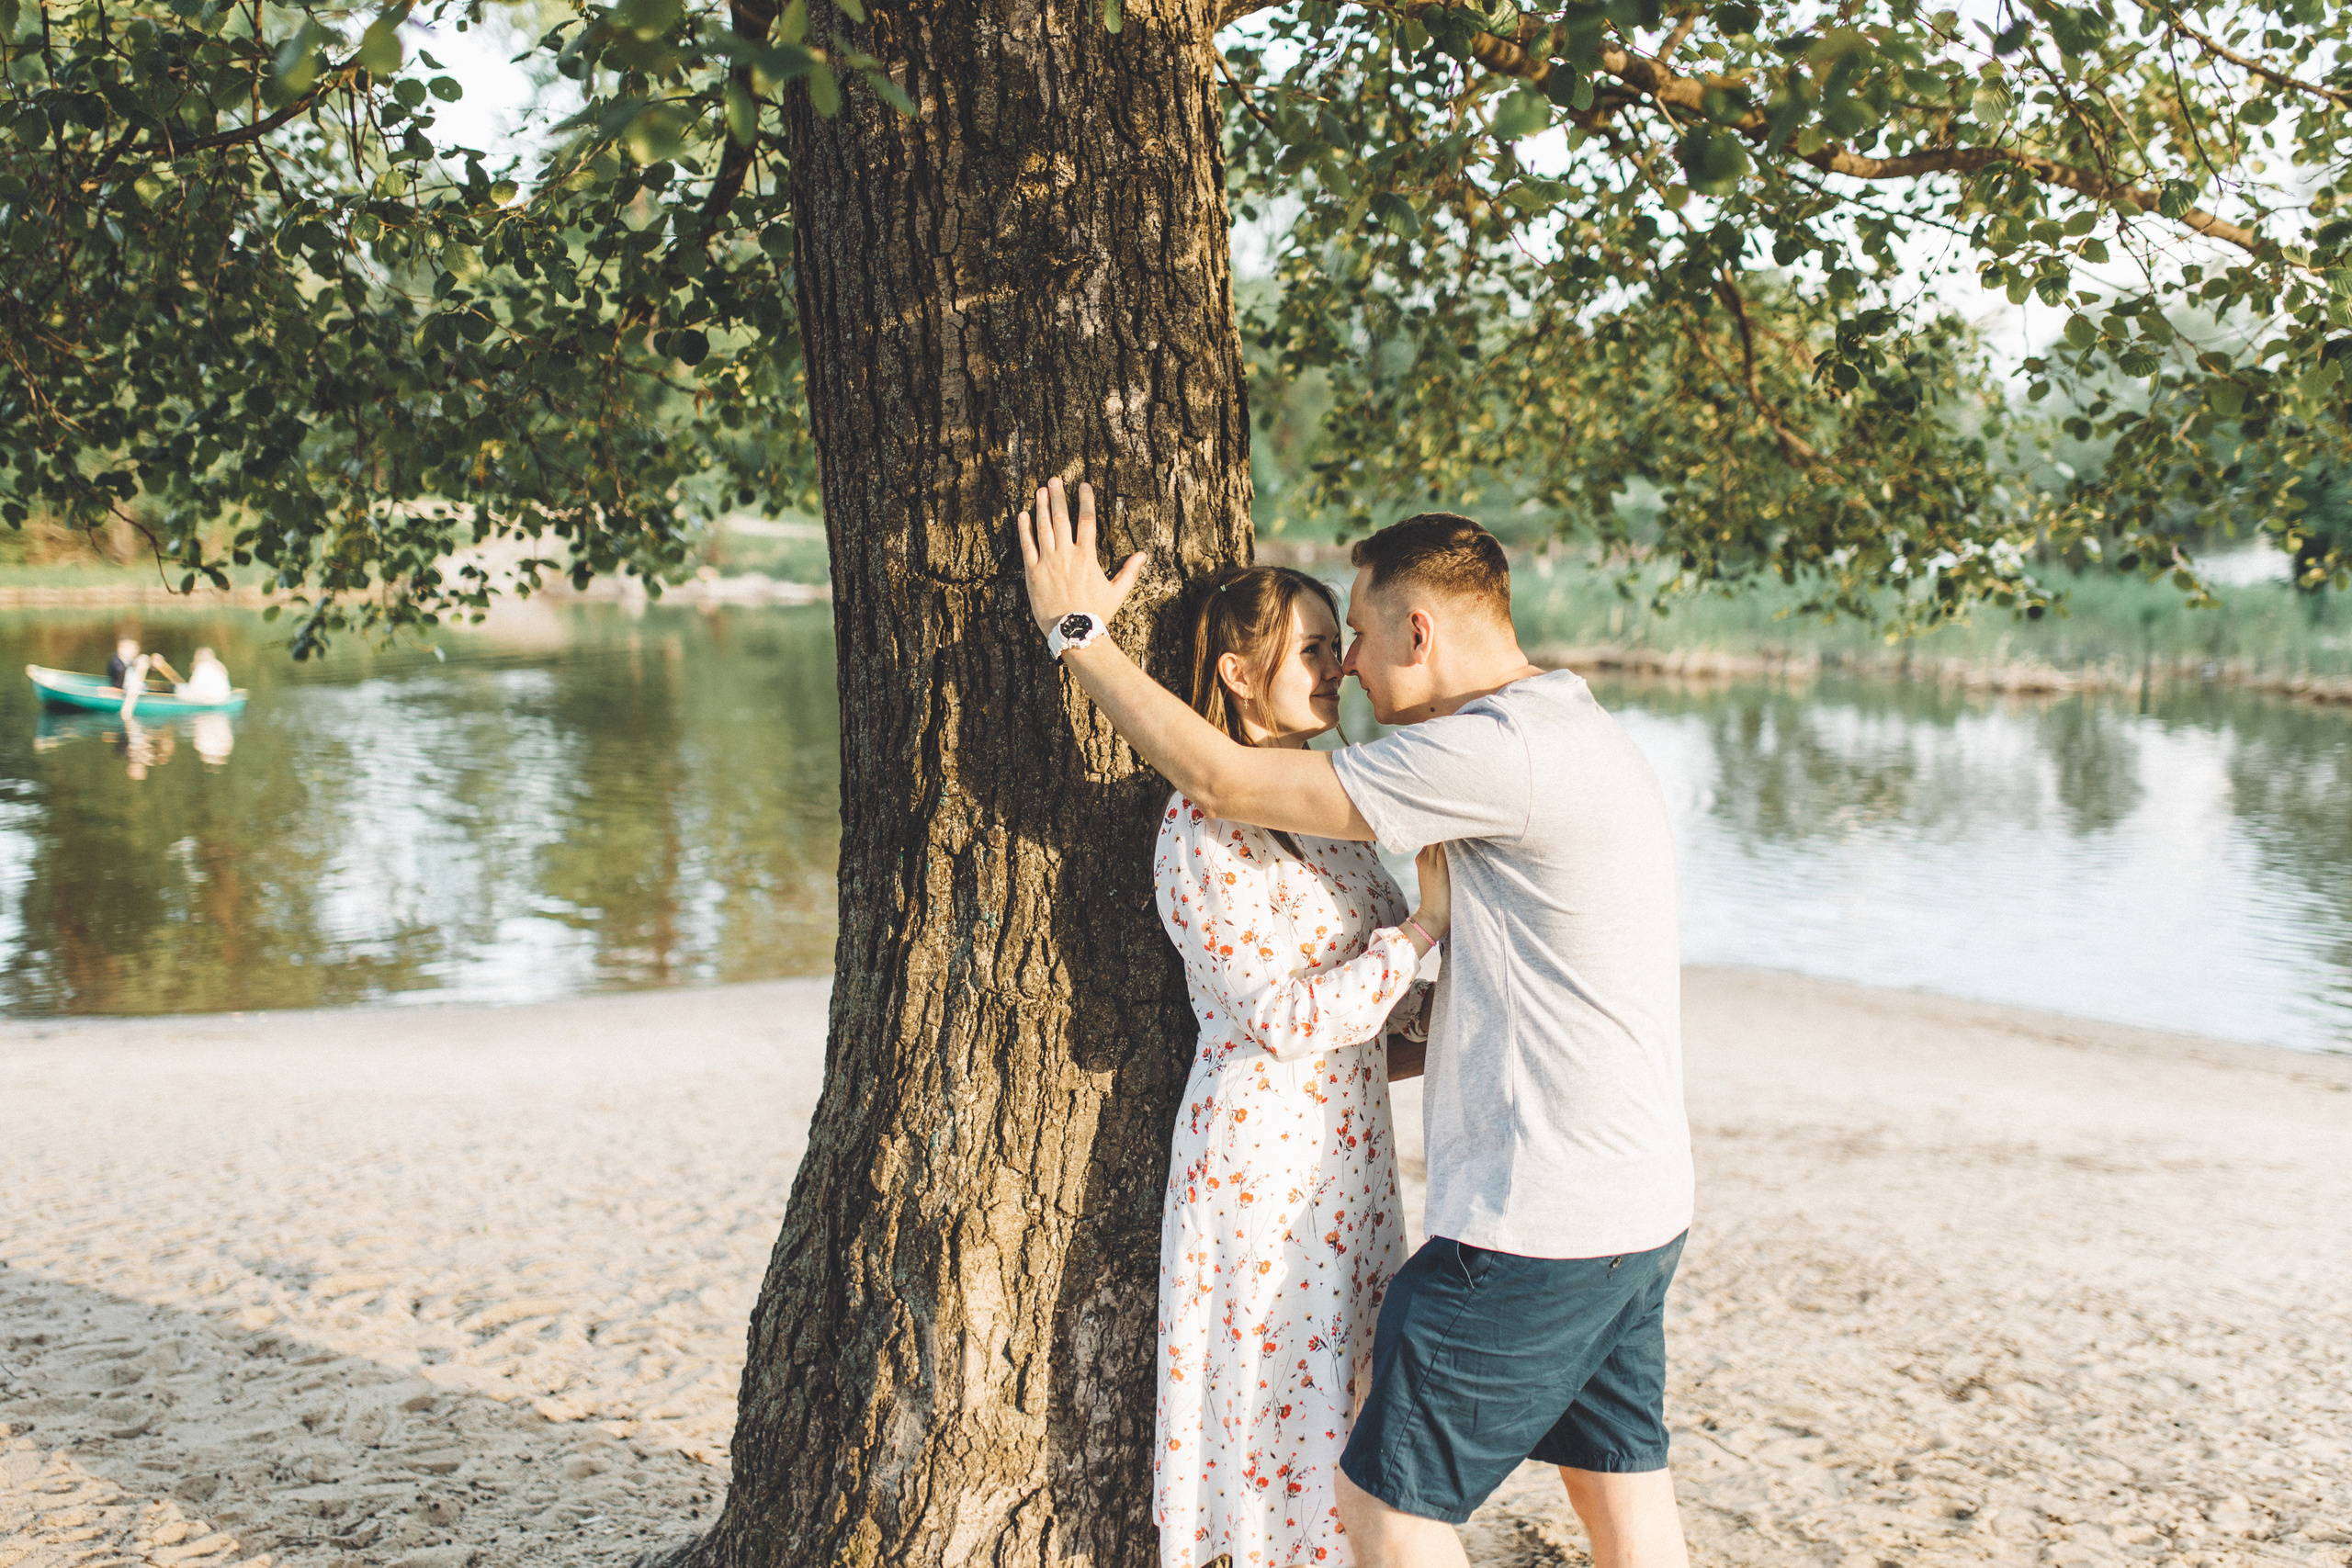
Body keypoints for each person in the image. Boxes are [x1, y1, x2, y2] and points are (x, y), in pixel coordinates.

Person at [1020, 480, 1692, 1568]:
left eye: (1361, 641)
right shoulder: (1567, 725)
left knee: (1384, 1508)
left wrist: (1076, 633)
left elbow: (1223, 777)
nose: (1352, 673)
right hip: (1634, 1205)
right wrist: (1409, 955)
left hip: (1538, 1217)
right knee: (1618, 1486)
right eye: (1324, 650)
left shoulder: (1491, 751)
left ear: (1418, 632)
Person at [1151, 564, 1443, 1568]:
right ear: (1238, 672)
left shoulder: (1329, 814)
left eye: (1335, 647)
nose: (1337, 669)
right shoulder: (1201, 830)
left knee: (1351, 1404)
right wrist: (1424, 927)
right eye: (1312, 649)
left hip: (1351, 1164)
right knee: (1273, 1415)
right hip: (1260, 1170)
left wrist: (1460, 1009)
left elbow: (1375, 1009)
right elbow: (1282, 1017)